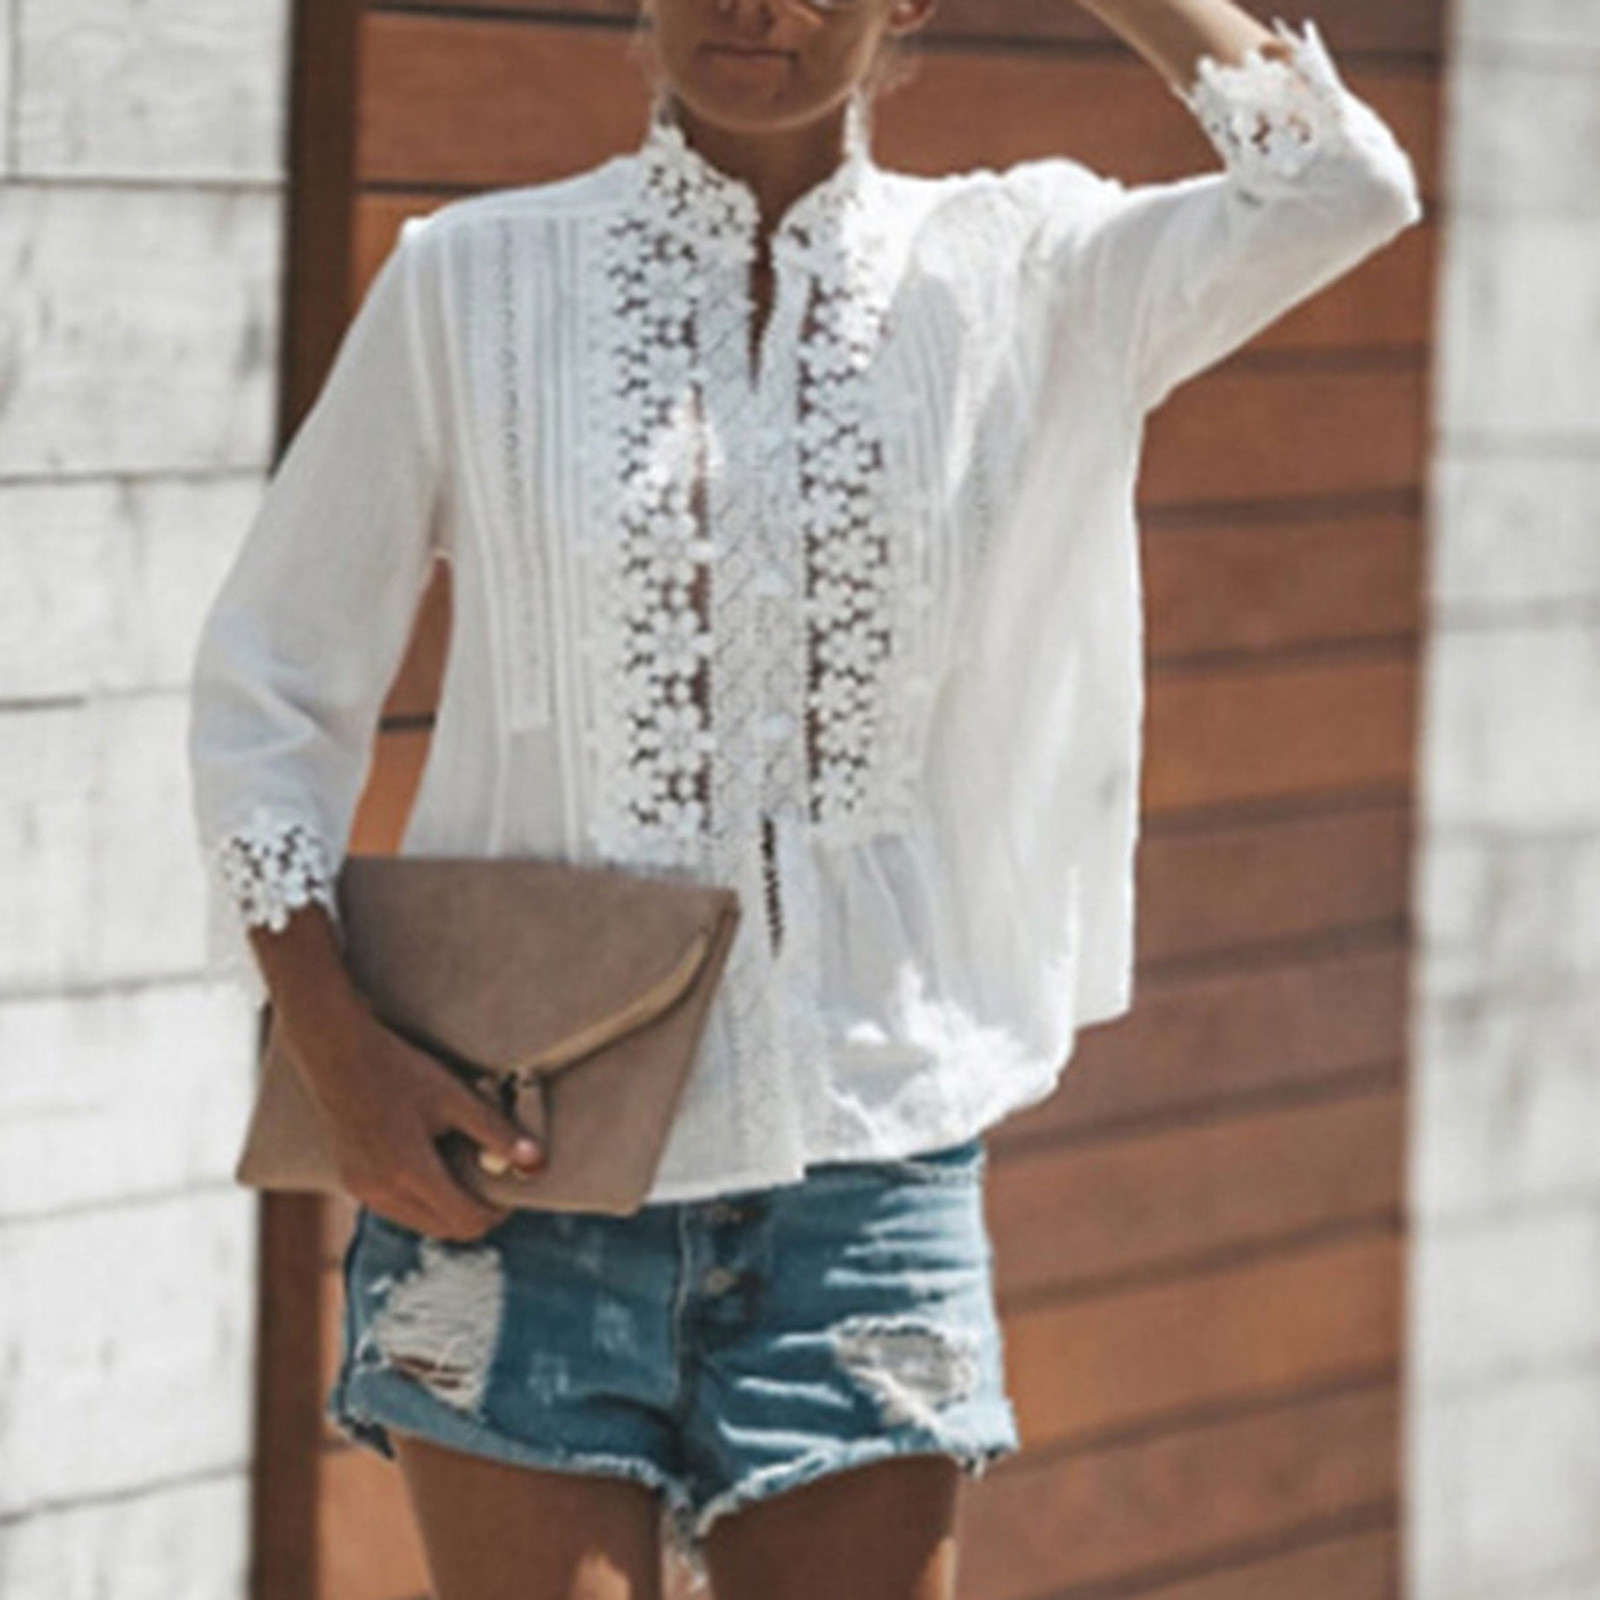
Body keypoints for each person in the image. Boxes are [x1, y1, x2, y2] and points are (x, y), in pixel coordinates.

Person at [186, 0, 1423, 1594]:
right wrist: (333, 1049)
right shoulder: (472, 282)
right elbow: (270, 683)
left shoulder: (1029, 272)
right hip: (519, 1176)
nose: (756, 5)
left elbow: (1340, 187)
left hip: (870, 1183)